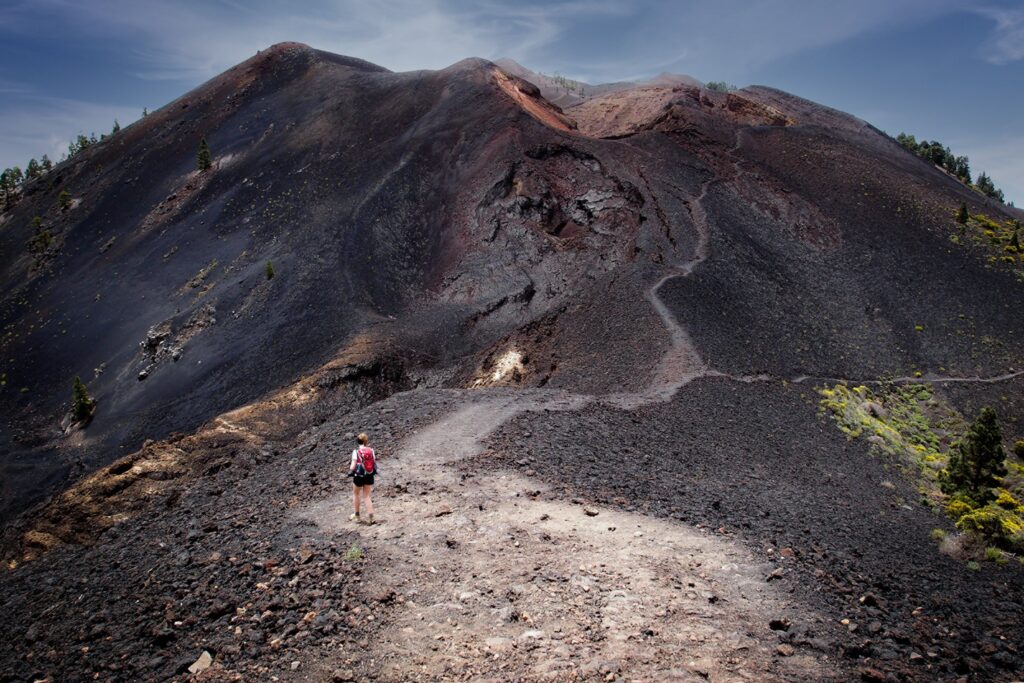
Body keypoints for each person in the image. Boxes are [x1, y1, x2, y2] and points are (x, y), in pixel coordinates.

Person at [348, 432, 377, 524]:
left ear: (358, 441)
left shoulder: (356, 452)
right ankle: (371, 517)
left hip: (359, 475)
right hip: (369, 474)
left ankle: (357, 516)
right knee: (367, 496)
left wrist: (351, 469)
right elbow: (374, 461)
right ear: (366, 441)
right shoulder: (371, 450)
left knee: (356, 494)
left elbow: (352, 467)